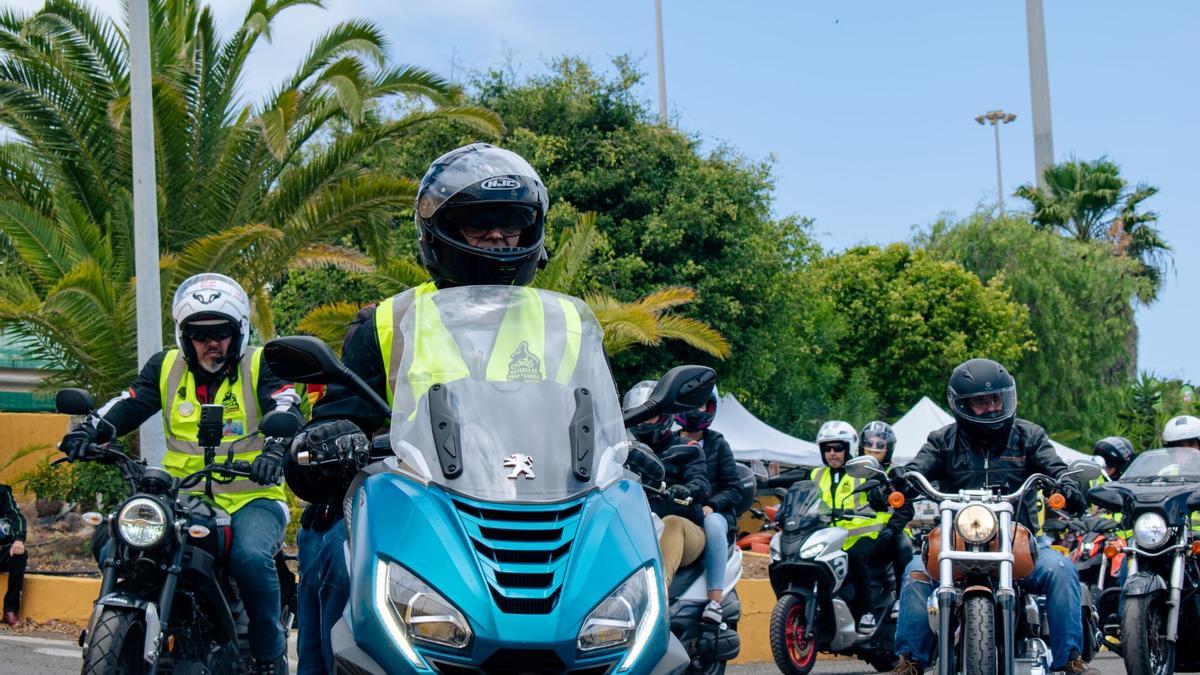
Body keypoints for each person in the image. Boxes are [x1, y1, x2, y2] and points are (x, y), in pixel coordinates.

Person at [285, 143, 570, 674]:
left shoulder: (564, 326)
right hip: (416, 512)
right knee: (334, 560)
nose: (496, 237)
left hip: (540, 511)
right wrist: (331, 438)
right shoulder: (389, 323)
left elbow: (594, 419)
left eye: (509, 223)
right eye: (476, 223)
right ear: (439, 231)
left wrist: (635, 448)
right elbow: (339, 413)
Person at [58, 273, 302, 675]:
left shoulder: (261, 364)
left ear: (238, 332)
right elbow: (129, 403)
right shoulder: (166, 367)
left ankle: (268, 657)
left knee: (250, 557)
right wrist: (90, 430)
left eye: (221, 333)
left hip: (250, 497)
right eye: (199, 334)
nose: (212, 343)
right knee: (113, 540)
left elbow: (286, 404)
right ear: (183, 336)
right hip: (181, 498)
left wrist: (276, 449)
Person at [885, 358, 1097, 675]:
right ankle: (910, 660)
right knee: (916, 571)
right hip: (955, 543)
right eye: (982, 402)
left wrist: (1066, 483)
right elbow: (918, 470)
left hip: (1020, 541)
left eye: (997, 398)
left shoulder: (1029, 436)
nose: (992, 407)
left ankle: (1070, 659)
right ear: (962, 405)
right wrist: (898, 481)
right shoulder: (943, 441)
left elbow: (1055, 468)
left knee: (1061, 568)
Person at [811, 420, 888, 632]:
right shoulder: (816, 475)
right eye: (827, 449)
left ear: (849, 448)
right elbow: (805, 496)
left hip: (865, 535)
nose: (832, 453)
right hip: (831, 536)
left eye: (838, 448)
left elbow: (880, 496)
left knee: (855, 556)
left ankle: (868, 612)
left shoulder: (862, 471)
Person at [675, 387, 743, 624]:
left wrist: (712, 505)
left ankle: (715, 600)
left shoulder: (718, 444)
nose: (695, 410)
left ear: (710, 407)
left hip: (714, 514)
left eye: (700, 404)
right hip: (680, 513)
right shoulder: (670, 442)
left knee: (713, 524)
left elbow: (734, 487)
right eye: (689, 404)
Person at [860, 420, 914, 598]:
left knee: (902, 545)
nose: (874, 448)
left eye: (880, 445)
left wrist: (892, 528)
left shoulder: (895, 472)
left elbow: (906, 508)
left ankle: (902, 596)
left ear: (888, 448)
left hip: (891, 531)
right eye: (869, 443)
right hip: (858, 533)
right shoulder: (854, 471)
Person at [0, 482, 27, 626]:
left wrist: (18, 539)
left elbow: (16, 517)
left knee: (19, 555)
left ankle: (10, 610)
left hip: (2, 550)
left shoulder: (2, 493)